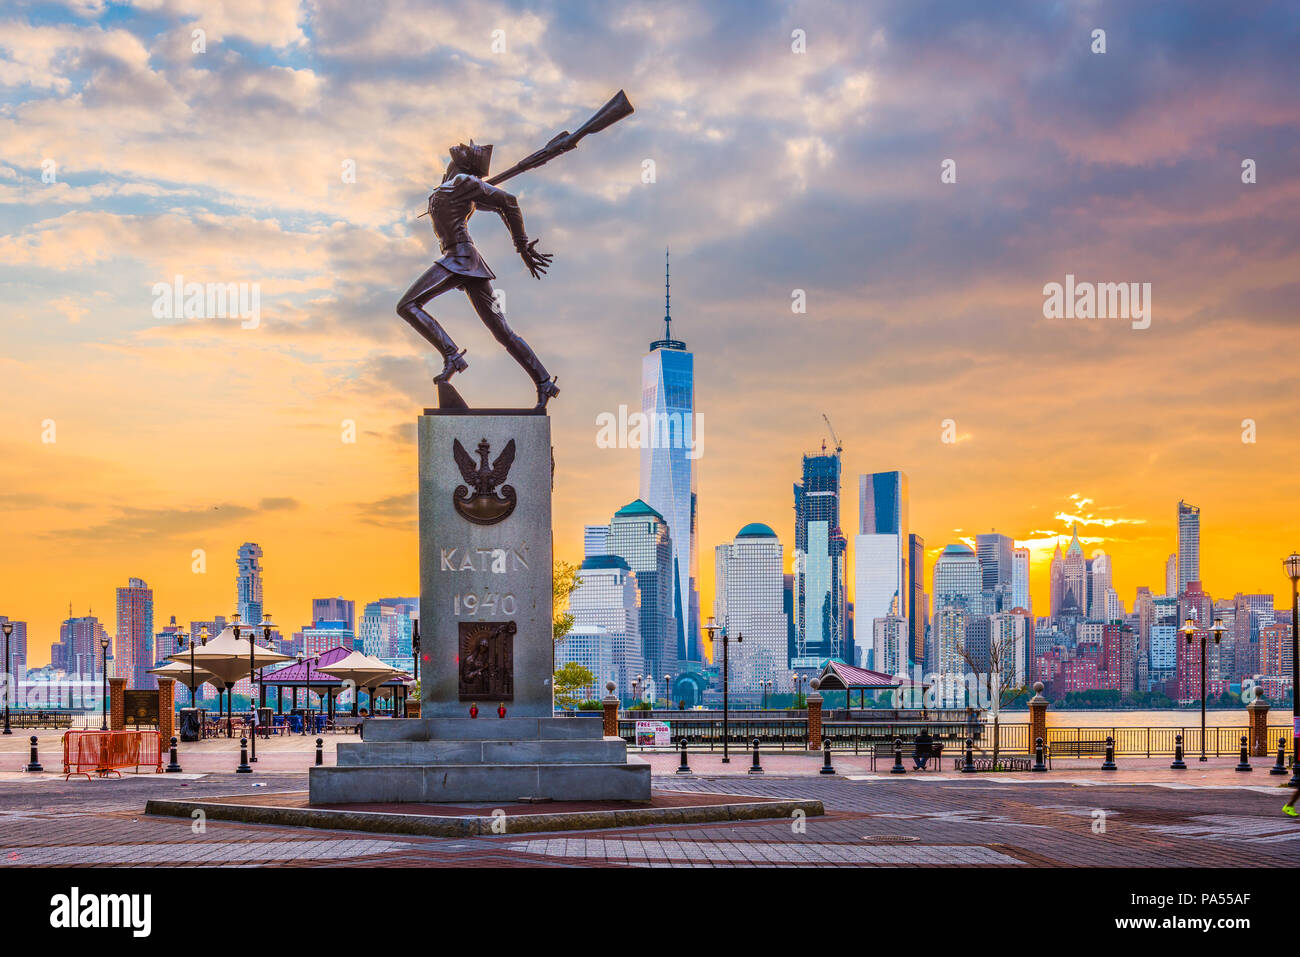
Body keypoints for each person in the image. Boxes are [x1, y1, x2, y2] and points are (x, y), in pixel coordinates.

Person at [397, 141, 559, 409]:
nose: (464, 145)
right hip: (463, 261)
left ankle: (451, 355)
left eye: (468, 149)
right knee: (502, 332)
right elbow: (493, 204)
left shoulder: (462, 181)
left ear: (468, 163)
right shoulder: (454, 184)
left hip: (459, 257)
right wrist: (477, 191)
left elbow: (508, 203)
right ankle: (544, 381)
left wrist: (521, 246)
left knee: (407, 305)